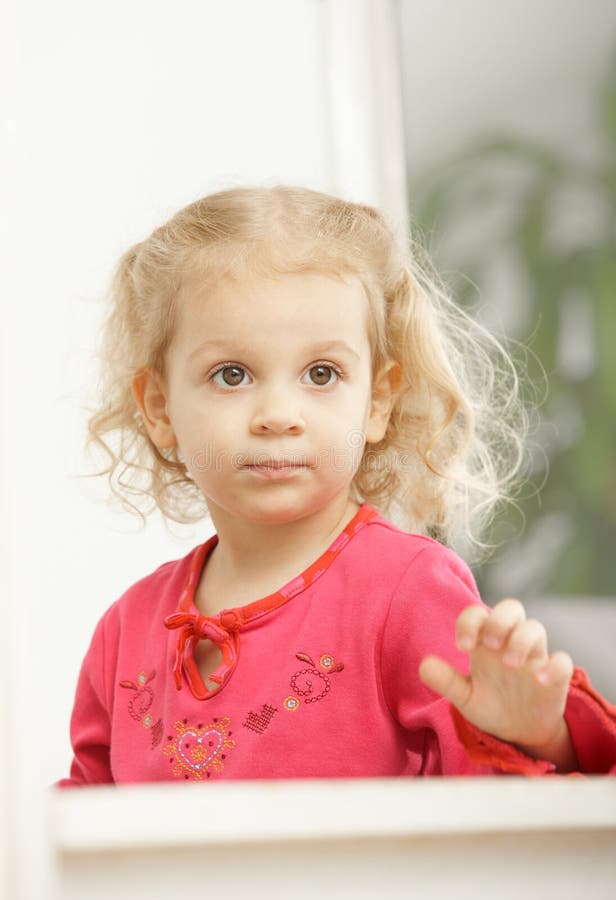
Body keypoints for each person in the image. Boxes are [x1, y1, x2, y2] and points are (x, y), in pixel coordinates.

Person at [59, 185, 615, 786]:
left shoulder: (408, 592)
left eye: (321, 373)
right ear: (161, 408)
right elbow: (79, 844)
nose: (278, 413)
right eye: (232, 374)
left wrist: (538, 736)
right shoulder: (126, 629)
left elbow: (505, 838)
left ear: (377, 401)